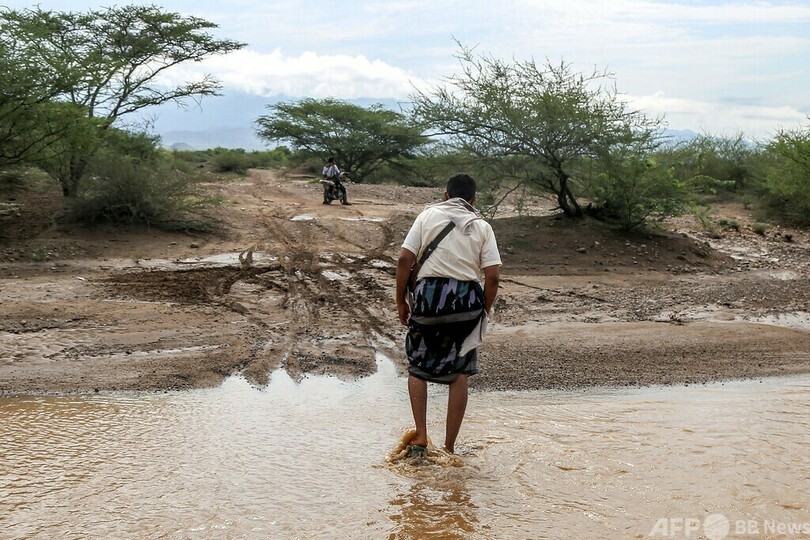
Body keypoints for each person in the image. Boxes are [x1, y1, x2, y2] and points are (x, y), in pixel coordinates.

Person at [395, 173, 501, 456]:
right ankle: (449, 447)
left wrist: (401, 302)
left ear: (445, 195)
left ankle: (420, 436)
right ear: (473, 200)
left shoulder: (426, 217)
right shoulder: (482, 226)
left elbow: (405, 259)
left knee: (418, 365)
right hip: (467, 301)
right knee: (460, 371)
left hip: (429, 298)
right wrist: (483, 312)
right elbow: (492, 277)